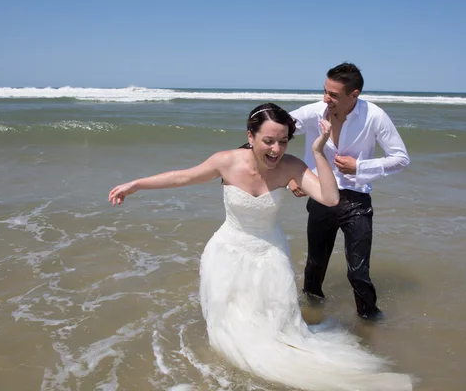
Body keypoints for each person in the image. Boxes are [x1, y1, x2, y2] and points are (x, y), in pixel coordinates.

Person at [108, 103, 412, 391]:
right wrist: (136, 185)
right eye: (268, 141)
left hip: (270, 254)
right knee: (232, 333)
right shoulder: (226, 161)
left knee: (279, 332)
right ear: (250, 136)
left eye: (283, 142)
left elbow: (331, 198)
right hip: (227, 253)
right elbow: (182, 178)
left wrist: (319, 151)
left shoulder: (291, 166)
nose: (276, 150)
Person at [288, 63, 410, 321]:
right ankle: (310, 318)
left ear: (354, 94)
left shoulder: (374, 116)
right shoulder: (314, 111)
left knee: (358, 272)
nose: (325, 99)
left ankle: (370, 323)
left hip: (356, 199)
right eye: (324, 91)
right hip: (321, 195)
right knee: (315, 266)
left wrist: (360, 166)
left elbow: (400, 158)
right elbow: (276, 130)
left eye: (333, 95)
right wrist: (292, 176)